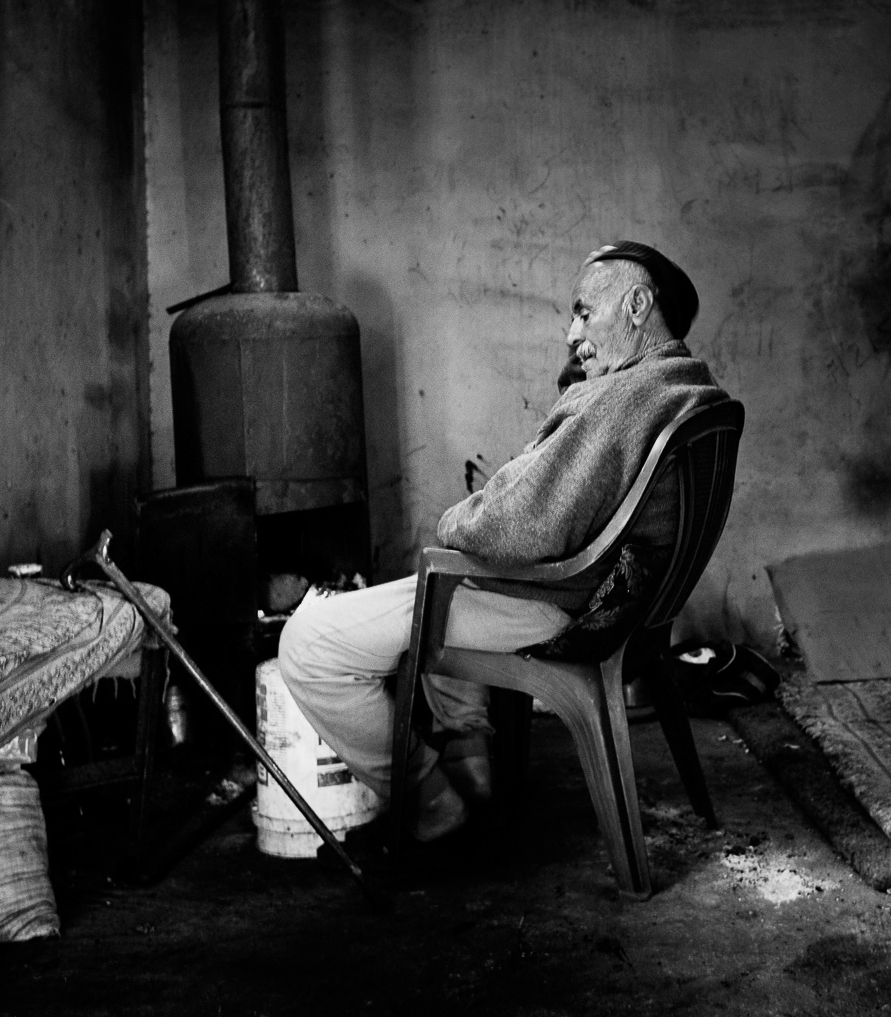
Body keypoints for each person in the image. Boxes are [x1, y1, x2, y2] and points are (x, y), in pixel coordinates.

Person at [279, 241, 728, 842]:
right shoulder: (685, 389)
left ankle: (428, 800)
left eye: (584, 312)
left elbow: (519, 530)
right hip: (616, 608)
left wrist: (457, 520)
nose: (572, 333)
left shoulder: (621, 401)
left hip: (560, 608)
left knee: (309, 645)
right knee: (444, 567)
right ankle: (471, 760)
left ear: (637, 305)